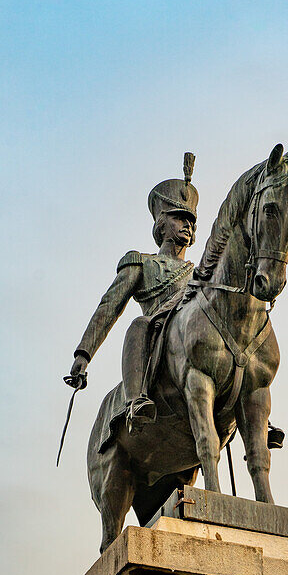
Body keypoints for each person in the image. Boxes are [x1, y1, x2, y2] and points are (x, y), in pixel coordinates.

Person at [65, 153, 199, 432]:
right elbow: (109, 306)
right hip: (155, 332)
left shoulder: (200, 273)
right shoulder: (142, 262)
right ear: (162, 224)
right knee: (139, 324)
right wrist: (84, 353)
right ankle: (136, 400)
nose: (187, 224)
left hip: (193, 340)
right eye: (179, 218)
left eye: (190, 220)